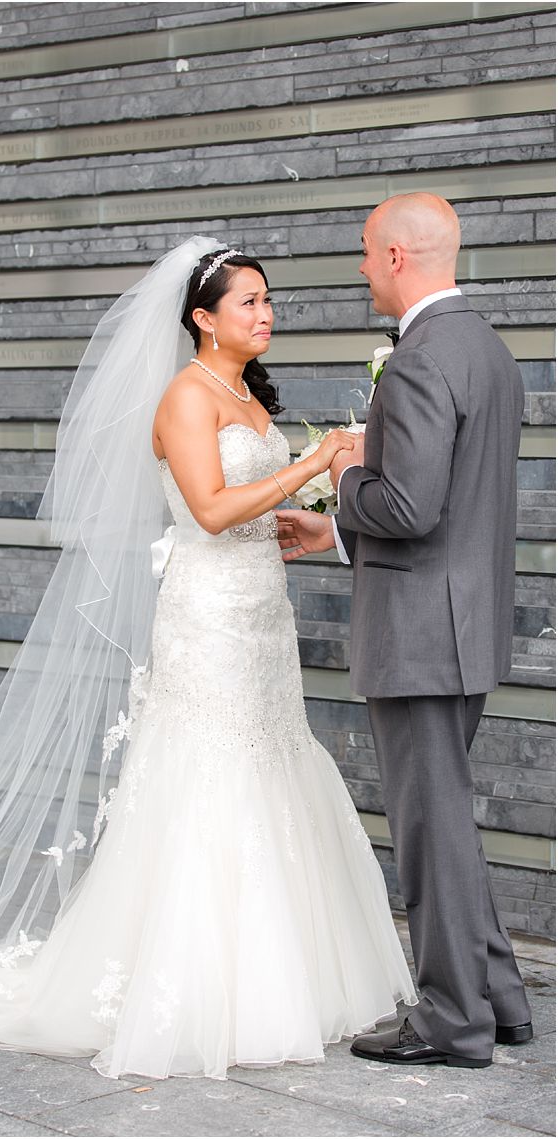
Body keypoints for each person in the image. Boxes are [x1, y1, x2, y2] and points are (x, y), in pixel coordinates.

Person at [0, 238, 415, 1079]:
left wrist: (295, 518)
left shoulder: (243, 394)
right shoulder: (185, 397)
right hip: (205, 617)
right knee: (210, 771)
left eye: (268, 300)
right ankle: (199, 988)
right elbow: (205, 509)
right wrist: (313, 463)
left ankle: (286, 972)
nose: (265, 313)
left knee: (269, 759)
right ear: (203, 319)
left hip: (260, 613)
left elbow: (242, 509)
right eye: (248, 302)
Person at [278, 193, 532, 1068]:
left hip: (424, 633)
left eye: (361, 252)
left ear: (394, 257)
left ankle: (452, 1018)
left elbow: (412, 506)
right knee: (447, 817)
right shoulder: (490, 350)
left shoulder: (422, 359)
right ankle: (496, 992)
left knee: (430, 826)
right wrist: (343, 521)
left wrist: (347, 474)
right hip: (466, 626)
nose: (358, 268)